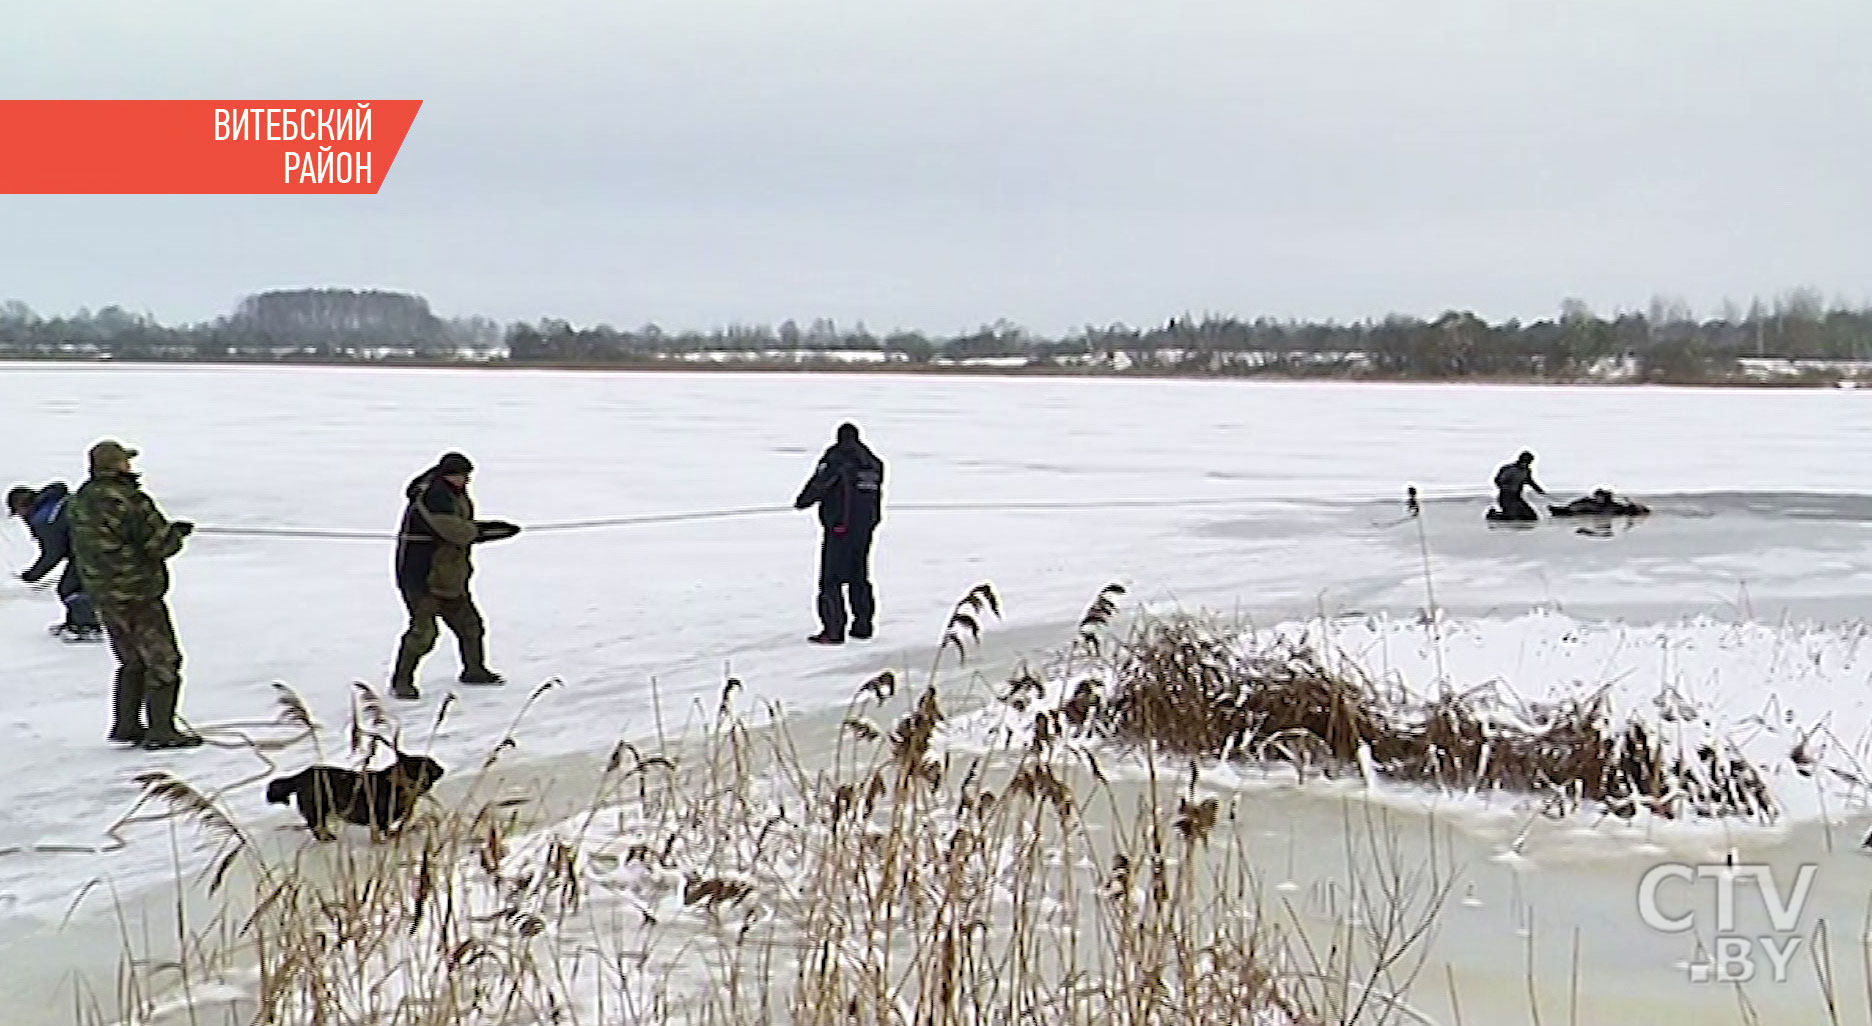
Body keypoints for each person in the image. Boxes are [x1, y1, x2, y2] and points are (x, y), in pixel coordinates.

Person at [67, 440, 202, 748]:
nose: (129, 465)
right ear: (117, 465)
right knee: (164, 660)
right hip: (138, 592)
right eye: (125, 461)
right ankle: (162, 731)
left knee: (131, 660)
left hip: (103, 594)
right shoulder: (131, 500)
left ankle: (126, 724)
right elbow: (158, 546)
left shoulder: (79, 500)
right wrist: (176, 534)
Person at [389, 452, 510, 699]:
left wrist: (482, 529)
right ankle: (402, 682)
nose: (466, 481)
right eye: (461, 477)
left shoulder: (452, 491)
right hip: (422, 577)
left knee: (470, 625)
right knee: (424, 633)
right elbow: (456, 532)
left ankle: (474, 671)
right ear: (447, 475)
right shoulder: (434, 497)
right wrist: (487, 532)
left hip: (450, 574)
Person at [794, 422, 885, 645]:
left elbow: (820, 484)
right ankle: (863, 626)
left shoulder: (837, 459)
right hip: (866, 527)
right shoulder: (873, 464)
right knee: (859, 576)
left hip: (839, 527)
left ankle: (833, 631)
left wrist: (802, 502)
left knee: (831, 580)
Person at [7, 481, 103, 641]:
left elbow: (53, 553)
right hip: (94, 546)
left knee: (72, 588)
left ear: (22, 506)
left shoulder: (44, 518)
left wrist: (32, 575)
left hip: (94, 548)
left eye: (18, 512)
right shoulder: (56, 503)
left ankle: (87, 627)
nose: (21, 517)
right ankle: (76, 623)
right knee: (72, 586)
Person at [1488, 450, 1547, 522]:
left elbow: (1530, 482)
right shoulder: (1508, 468)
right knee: (1512, 518)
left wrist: (1540, 491)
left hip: (1517, 497)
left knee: (1531, 517)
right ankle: (1493, 514)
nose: (1526, 463)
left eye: (1528, 462)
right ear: (1520, 459)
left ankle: (1502, 514)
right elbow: (1497, 480)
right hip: (1505, 497)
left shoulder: (1527, 470)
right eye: (1525, 461)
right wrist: (1504, 488)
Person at [1549, 487, 1650, 517]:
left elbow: (1626, 510)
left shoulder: (1615, 506)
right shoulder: (1587, 501)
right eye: (1598, 496)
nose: (1599, 498)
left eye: (1601, 496)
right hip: (1581, 511)